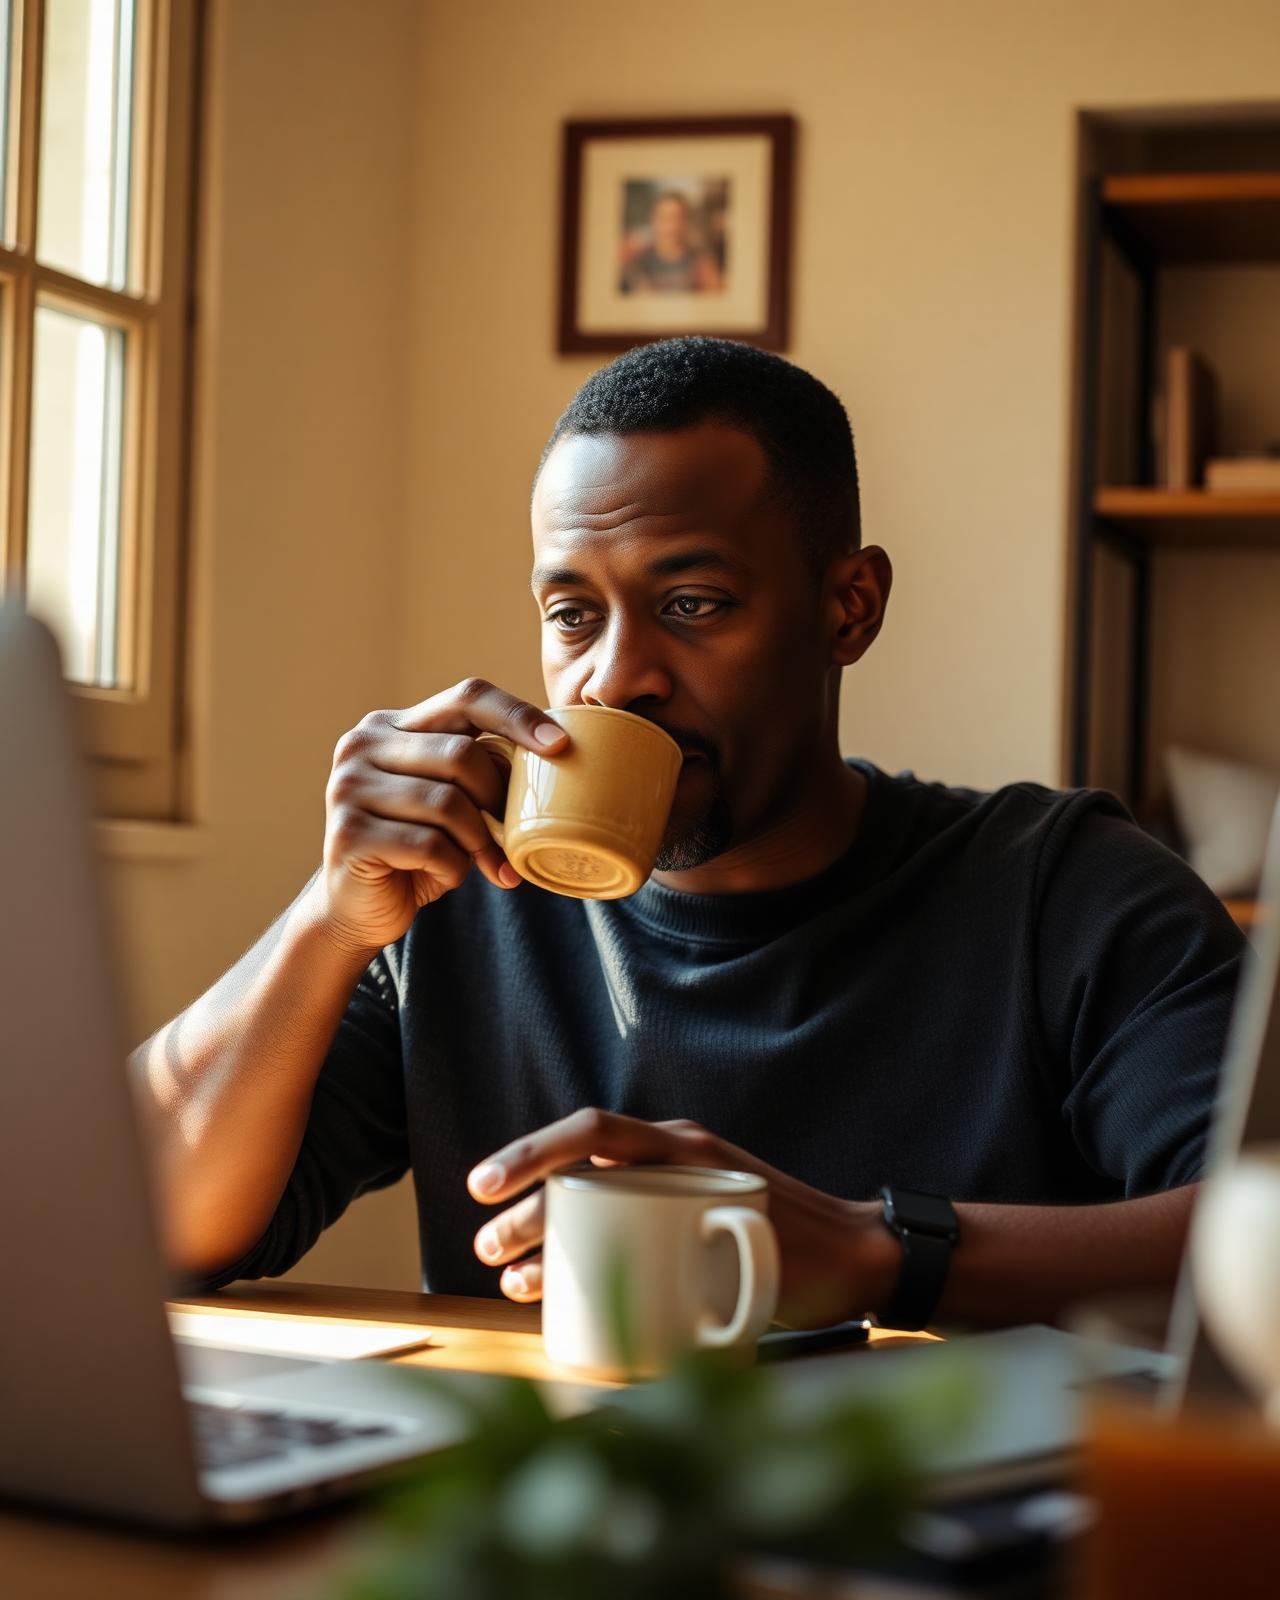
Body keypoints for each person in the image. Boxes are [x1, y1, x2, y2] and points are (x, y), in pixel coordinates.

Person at [134, 337, 1242, 1331]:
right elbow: (132, 1221)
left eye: (692, 603)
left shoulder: (1063, 892)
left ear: (846, 608)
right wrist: (327, 923)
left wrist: (874, 1252)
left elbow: (1259, 1234)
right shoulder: (462, 899)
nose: (614, 676)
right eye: (571, 614)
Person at [619, 190, 723, 294]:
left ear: (687, 222)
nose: (672, 226)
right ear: (653, 220)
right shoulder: (638, 260)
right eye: (665, 218)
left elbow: (716, 296)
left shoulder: (701, 260)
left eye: (678, 218)